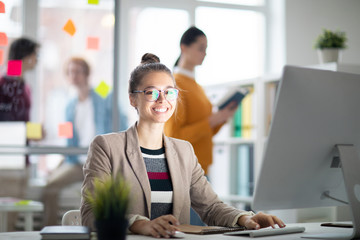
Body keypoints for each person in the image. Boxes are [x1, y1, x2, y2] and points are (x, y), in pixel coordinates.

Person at [80, 53, 285, 238]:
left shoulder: (183, 150)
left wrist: (246, 219)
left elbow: (211, 208)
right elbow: (91, 213)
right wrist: (141, 225)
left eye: (169, 92)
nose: (162, 100)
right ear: (133, 98)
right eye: (152, 92)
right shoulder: (107, 147)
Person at [42, 57, 127, 225]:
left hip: (100, 161)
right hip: (77, 162)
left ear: (87, 74)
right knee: (49, 188)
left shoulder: (103, 95)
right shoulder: (70, 105)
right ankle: (50, 232)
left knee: (102, 196)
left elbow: (122, 121)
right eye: (70, 72)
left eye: (78, 71)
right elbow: (69, 140)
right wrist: (58, 166)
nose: (74, 75)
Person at [164, 26, 237, 176]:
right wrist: (211, 121)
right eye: (201, 48)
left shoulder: (197, 86)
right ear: (184, 48)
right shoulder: (175, 85)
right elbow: (174, 137)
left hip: (201, 168)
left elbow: (206, 133)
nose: (205, 53)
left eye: (206, 49)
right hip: (185, 169)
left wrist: (222, 118)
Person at [0, 37, 39, 231]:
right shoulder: (4, 84)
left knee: (12, 217)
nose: (37, 60)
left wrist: (35, 131)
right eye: (35, 55)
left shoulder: (22, 85)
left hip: (20, 157)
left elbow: (20, 120)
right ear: (25, 56)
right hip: (8, 160)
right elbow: (8, 121)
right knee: (6, 218)